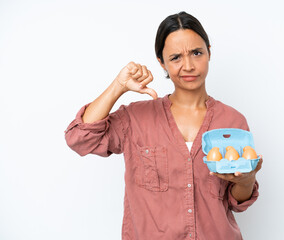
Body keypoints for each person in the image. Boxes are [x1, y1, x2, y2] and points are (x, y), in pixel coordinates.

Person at [65, 11, 263, 240]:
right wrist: (118, 86)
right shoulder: (136, 118)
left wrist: (246, 180)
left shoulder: (232, 121)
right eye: (176, 57)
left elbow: (237, 202)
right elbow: (79, 138)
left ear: (209, 52)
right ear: (162, 62)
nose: (188, 65)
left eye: (196, 53)